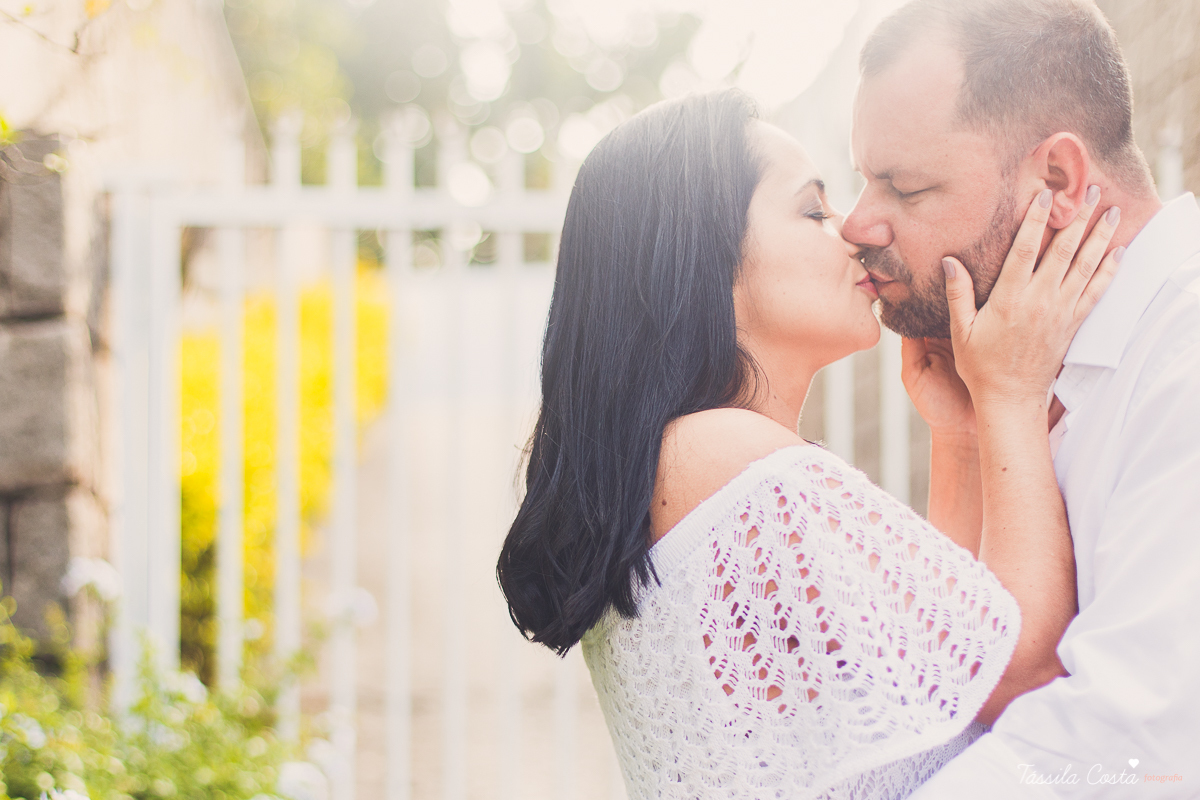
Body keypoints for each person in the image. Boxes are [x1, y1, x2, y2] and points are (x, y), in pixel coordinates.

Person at [497, 89, 1119, 798]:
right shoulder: (727, 457)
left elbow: (937, 677)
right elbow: (1020, 666)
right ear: (704, 260)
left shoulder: (690, 468)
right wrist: (1011, 391)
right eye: (813, 210)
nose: (853, 230)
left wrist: (962, 436)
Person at [843, 1, 1200, 796]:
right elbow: (958, 689)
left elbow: (1134, 748)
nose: (859, 223)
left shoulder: (1186, 360)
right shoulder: (1020, 368)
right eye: (863, 178)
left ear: (1057, 181)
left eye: (903, 187)